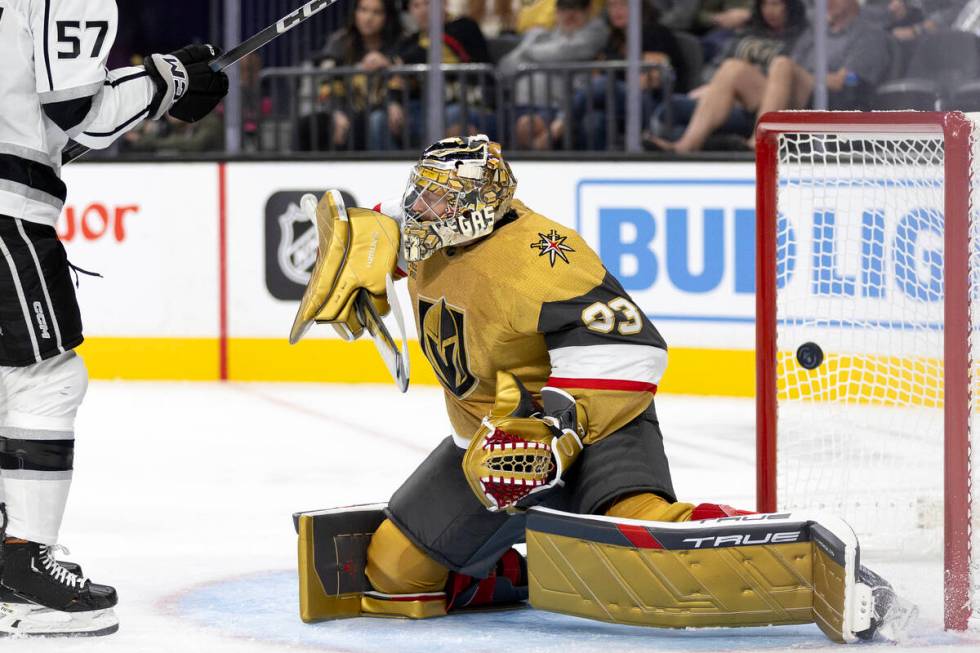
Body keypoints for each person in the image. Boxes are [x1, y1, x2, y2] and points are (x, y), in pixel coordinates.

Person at [290, 135, 912, 642]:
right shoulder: (435, 234)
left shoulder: (539, 257)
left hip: (593, 427)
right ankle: (509, 563)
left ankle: (815, 563)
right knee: (395, 573)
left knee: (650, 547)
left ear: (479, 205)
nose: (420, 211)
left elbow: (631, 348)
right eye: (419, 196)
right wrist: (360, 241)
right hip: (489, 450)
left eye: (436, 201)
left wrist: (555, 432)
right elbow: (386, 227)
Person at [0, 0, 227, 637]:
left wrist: (158, 86)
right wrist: (167, 81)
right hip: (6, 212)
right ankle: (21, 577)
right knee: (43, 381)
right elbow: (78, 112)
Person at [551, 0, 687, 150]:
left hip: (654, 105)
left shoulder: (656, 32)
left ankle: (562, 120)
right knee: (594, 121)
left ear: (639, 7)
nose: (616, 11)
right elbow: (599, 76)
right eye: (611, 5)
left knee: (606, 84)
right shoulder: (613, 40)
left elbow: (646, 81)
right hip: (617, 108)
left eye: (623, 5)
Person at [372, 0, 492, 149]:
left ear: (444, 4)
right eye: (416, 5)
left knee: (452, 114)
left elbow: (433, 51)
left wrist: (394, 60)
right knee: (379, 119)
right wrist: (393, 103)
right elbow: (398, 78)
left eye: (428, 3)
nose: (423, 11)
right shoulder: (410, 40)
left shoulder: (463, 27)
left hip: (472, 105)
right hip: (425, 109)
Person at [498, 0, 608, 149]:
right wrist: (549, 57)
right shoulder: (539, 35)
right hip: (515, 106)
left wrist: (528, 54)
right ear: (556, 12)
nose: (570, 14)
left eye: (576, 8)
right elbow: (505, 67)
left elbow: (567, 51)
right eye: (564, 9)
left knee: (527, 125)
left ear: (588, 10)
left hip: (557, 109)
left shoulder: (594, 31)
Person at [297, 0, 403, 151]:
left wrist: (388, 64)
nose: (368, 18)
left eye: (376, 12)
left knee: (373, 121)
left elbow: (404, 79)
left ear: (387, 17)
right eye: (363, 10)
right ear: (355, 13)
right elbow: (328, 81)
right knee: (310, 125)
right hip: (347, 110)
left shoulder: (399, 42)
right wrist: (336, 111)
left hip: (383, 110)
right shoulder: (340, 42)